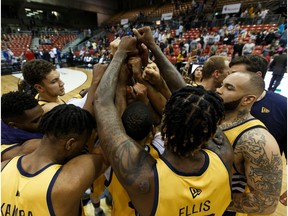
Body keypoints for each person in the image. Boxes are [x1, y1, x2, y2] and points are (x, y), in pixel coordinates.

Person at [94, 32, 234, 215]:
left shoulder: (145, 178)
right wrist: (153, 47)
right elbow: (190, 100)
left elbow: (103, 104)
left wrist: (120, 53)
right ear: (211, 132)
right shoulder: (224, 154)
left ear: (164, 121)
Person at [1, 104, 106, 215]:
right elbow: (108, 151)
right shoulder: (67, 182)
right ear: (70, 144)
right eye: (83, 145)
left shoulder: (3, 166)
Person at [217, 71, 283, 215]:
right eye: (221, 84)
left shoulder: (257, 140)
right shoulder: (212, 117)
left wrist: (209, 199)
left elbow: (265, 203)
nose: (218, 90)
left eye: (228, 88)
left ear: (247, 99)